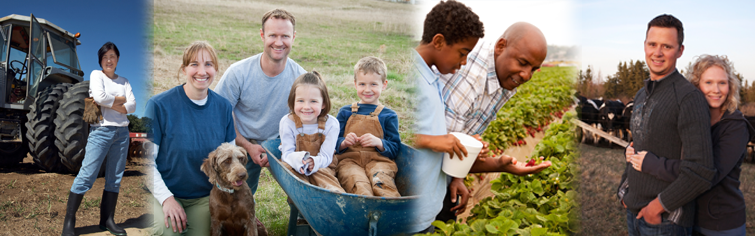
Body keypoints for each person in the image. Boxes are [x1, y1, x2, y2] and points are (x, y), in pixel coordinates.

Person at [435, 21, 552, 222]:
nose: (526, 75)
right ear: (500, 47)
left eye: (534, 69)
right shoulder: (469, 80)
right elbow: (439, 153)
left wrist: (458, 177)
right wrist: (498, 165)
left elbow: (457, 148)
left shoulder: (503, 74)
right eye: (523, 63)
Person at [627, 55, 753, 236]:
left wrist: (652, 164)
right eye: (708, 82)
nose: (716, 90)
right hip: (683, 215)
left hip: (718, 223)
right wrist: (632, 152)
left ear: (730, 87)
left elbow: (707, 173)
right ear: (695, 86)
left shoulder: (736, 127)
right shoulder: (690, 118)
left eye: (722, 83)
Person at [617, 14, 715, 236]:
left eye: (667, 46)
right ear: (644, 46)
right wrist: (624, 193)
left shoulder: (688, 98)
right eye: (652, 44)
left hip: (666, 221)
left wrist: (656, 208)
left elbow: (702, 171)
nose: (657, 53)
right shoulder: (641, 95)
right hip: (634, 213)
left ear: (680, 51)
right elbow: (637, 148)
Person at [214, 8, 307, 199]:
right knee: (235, 197)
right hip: (242, 142)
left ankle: (301, 217)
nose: (279, 42)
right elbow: (218, 113)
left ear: (294, 37)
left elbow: (309, 119)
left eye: (285, 36)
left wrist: (285, 148)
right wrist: (247, 146)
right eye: (273, 35)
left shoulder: (301, 78)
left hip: (283, 144)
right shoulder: (238, 72)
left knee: (304, 190)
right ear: (262, 35)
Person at [146, 41, 236, 235]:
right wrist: (167, 199)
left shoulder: (223, 107)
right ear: (184, 68)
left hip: (205, 196)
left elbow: (231, 164)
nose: (202, 71)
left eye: (208, 64)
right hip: (163, 193)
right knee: (166, 231)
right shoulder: (159, 106)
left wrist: (243, 206)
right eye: (194, 64)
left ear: (216, 69)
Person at [409, 0, 484, 233]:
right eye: (463, 53)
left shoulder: (431, 78)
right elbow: (383, 129)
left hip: (425, 210)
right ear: (439, 41)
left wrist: (455, 142)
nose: (463, 63)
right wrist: (435, 141)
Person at [62, 42, 135, 236]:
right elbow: (100, 98)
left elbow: (133, 105)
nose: (108, 60)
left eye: (112, 56)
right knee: (87, 175)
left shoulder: (124, 81)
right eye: (105, 57)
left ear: (117, 59)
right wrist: (121, 101)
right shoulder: (96, 75)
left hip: (121, 134)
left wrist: (113, 103)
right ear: (100, 60)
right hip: (101, 132)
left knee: (115, 178)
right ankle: (69, 222)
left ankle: (107, 220)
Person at [334, 56, 401, 197]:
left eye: (373, 84)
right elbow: (333, 142)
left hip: (379, 161)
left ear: (384, 84)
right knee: (358, 184)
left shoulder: (389, 115)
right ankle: (364, 213)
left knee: (382, 182)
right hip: (349, 161)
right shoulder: (345, 112)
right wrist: (344, 142)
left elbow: (395, 148)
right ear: (355, 84)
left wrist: (379, 142)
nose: (367, 89)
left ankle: (392, 213)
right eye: (362, 84)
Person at [278, 71, 344, 193]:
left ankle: (335, 199)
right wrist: (300, 161)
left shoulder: (331, 124)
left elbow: (326, 156)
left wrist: (314, 162)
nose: (306, 106)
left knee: (327, 185)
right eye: (301, 101)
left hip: (322, 167)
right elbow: (287, 154)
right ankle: (299, 204)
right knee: (295, 178)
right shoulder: (287, 122)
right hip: (296, 166)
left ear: (323, 103)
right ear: (293, 101)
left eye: (313, 101)